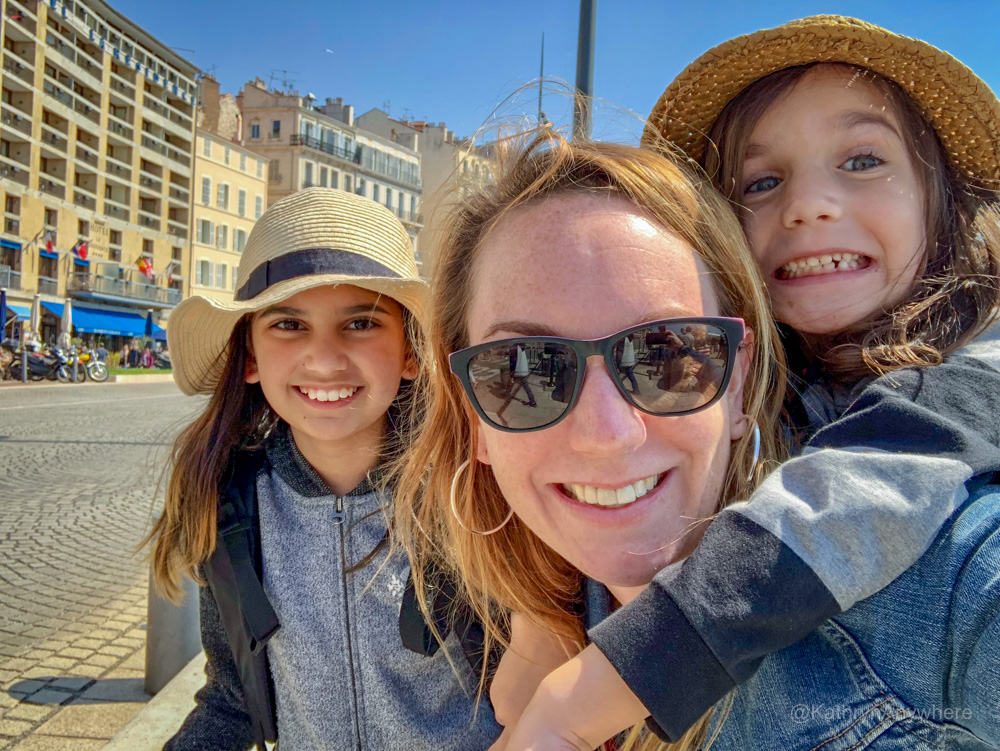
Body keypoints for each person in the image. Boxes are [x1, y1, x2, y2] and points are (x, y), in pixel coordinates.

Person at [496, 15, 1000, 750]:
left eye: (862, 160)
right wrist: (541, 608)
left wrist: (577, 703)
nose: (809, 204)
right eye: (762, 181)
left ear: (941, 198)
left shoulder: (977, 380)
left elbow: (846, 498)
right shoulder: (772, 379)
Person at [393, 130, 789, 750]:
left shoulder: (926, 606)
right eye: (525, 368)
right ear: (474, 420)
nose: (607, 434)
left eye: (668, 355)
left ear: (737, 386)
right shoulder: (536, 633)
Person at [146, 188, 499, 751]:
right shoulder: (232, 507)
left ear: (411, 351)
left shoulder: (474, 493)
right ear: (252, 357)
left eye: (361, 323)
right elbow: (233, 700)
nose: (326, 357)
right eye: (288, 324)